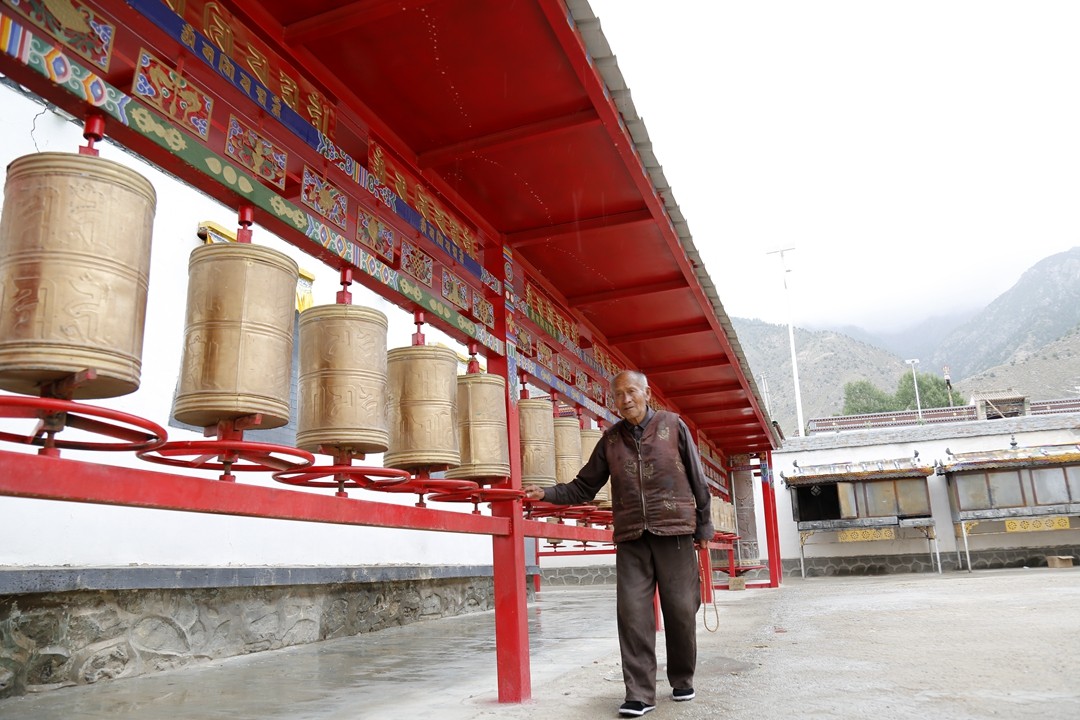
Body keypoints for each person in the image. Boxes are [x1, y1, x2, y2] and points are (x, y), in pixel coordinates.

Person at [524, 370, 714, 717]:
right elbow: (583, 487)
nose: (625, 400)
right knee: (632, 614)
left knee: (681, 611)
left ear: (646, 392)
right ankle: (640, 694)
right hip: (631, 537)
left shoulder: (673, 426)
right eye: (618, 395)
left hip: (674, 531)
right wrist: (546, 494)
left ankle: (682, 678)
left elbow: (698, 479)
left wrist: (703, 528)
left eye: (631, 392)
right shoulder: (610, 440)